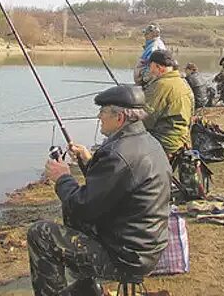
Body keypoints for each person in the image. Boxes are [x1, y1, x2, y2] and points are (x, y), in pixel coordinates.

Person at [28, 85, 171, 296]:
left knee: (40, 234)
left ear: (120, 117)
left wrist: (62, 178)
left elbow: (82, 207)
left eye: (103, 112)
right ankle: (88, 288)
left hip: (126, 257)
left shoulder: (118, 154)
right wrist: (90, 162)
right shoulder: (148, 142)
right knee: (75, 226)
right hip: (146, 246)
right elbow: (115, 187)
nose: (99, 116)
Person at [143, 50, 195, 157]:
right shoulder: (182, 82)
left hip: (166, 141)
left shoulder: (161, 85)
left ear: (159, 68)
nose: (150, 70)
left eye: (151, 66)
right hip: (181, 138)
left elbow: (146, 118)